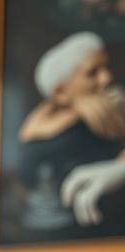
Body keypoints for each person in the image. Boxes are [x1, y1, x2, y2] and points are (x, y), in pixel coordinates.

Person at [18, 31, 125, 227]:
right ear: (60, 92)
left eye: (105, 67)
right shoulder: (81, 123)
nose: (106, 78)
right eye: (92, 73)